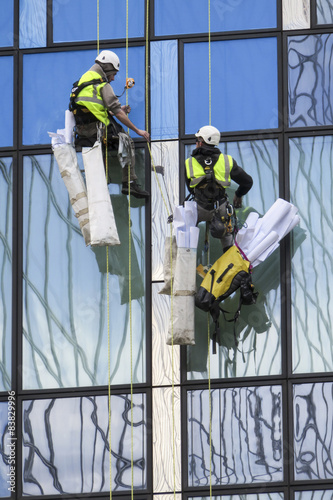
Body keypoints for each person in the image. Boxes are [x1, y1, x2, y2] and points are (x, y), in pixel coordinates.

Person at [70, 50, 149, 199]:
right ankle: (130, 183)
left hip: (83, 131)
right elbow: (118, 113)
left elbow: (93, 109)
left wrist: (115, 111)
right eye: (113, 73)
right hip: (98, 131)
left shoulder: (82, 80)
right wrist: (138, 130)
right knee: (126, 141)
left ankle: (99, 185)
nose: (112, 78)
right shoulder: (101, 83)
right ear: (106, 68)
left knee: (101, 154)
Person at [185, 125, 253, 251]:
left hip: (199, 208)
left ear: (201, 142)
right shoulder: (227, 161)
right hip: (220, 207)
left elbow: (190, 188)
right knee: (227, 236)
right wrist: (238, 194)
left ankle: (186, 259)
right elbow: (247, 182)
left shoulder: (189, 163)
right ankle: (231, 265)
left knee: (185, 231)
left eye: (197, 140)